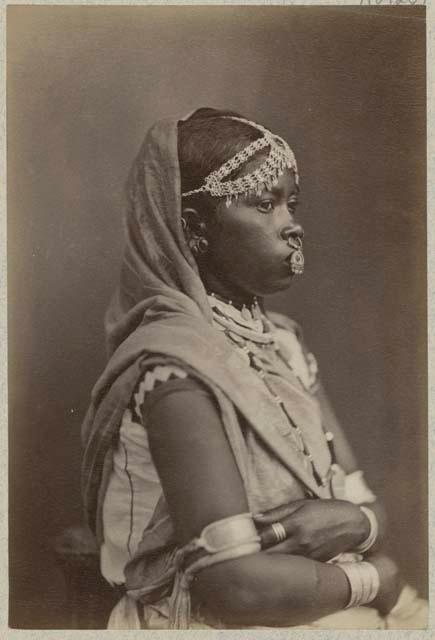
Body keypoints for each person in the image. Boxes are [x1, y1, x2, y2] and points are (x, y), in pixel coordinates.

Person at [81, 108, 427, 629]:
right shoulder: (177, 367)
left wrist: (357, 524)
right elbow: (237, 588)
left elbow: (364, 507)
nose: (292, 225)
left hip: (323, 605)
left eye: (292, 204)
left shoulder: (281, 342)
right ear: (195, 228)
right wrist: (378, 580)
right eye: (264, 205)